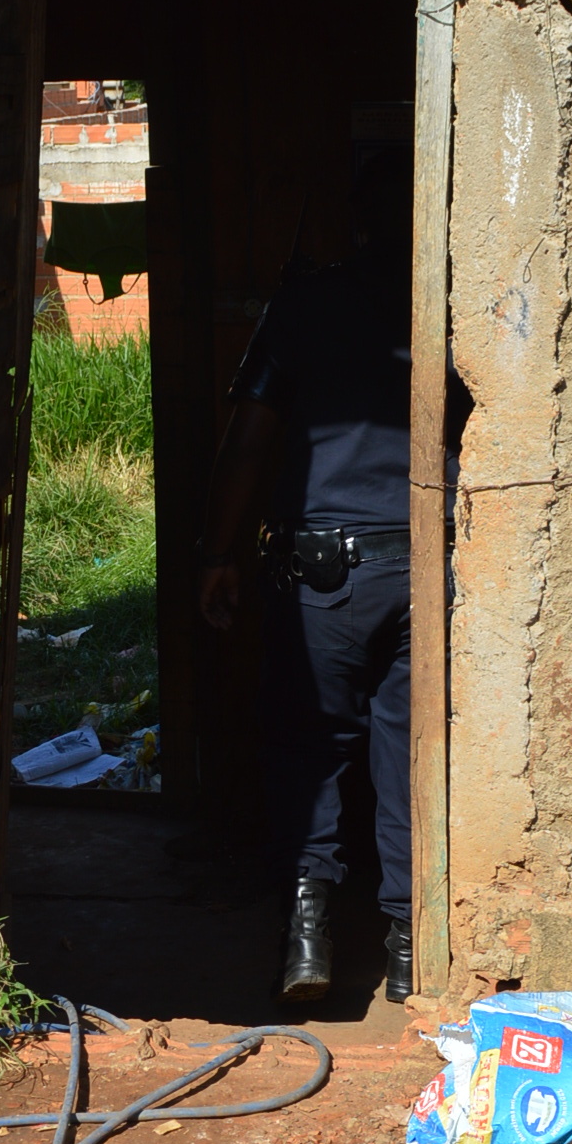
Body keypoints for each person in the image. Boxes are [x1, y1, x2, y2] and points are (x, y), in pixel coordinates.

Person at [197, 159, 415, 1004]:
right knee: (408, 757)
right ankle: (407, 953)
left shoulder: (306, 303)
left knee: (310, 752)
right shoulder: (452, 306)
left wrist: (216, 552)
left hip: (325, 575)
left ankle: (309, 947)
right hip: (424, 568)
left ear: (355, 224)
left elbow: (248, 439)